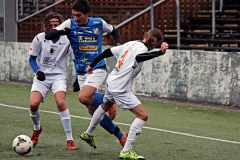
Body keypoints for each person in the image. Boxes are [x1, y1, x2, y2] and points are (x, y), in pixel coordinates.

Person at [45, 0, 127, 147]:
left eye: (79, 15)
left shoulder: (98, 23)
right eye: (73, 15)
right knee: (93, 111)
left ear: (88, 14)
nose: (76, 18)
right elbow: (50, 35)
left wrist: (119, 44)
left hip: (97, 67)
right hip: (82, 72)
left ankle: (109, 101)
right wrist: (61, 31)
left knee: (83, 97)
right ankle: (121, 135)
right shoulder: (69, 24)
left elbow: (114, 30)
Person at [80, 28, 169, 159]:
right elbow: (139, 57)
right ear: (155, 44)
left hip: (111, 81)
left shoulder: (130, 43)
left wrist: (92, 64)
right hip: (120, 88)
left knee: (105, 106)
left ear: (145, 35)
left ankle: (89, 133)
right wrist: (159, 53)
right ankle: (126, 150)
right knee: (142, 115)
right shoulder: (142, 49)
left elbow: (107, 52)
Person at [28, 12, 78, 150]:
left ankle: (70, 139)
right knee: (33, 104)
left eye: (56, 24)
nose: (54, 26)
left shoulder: (67, 40)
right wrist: (37, 72)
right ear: (46, 25)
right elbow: (32, 59)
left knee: (61, 103)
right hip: (42, 77)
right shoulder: (39, 38)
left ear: (60, 25)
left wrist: (78, 77)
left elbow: (75, 59)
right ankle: (37, 129)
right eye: (51, 24)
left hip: (58, 77)